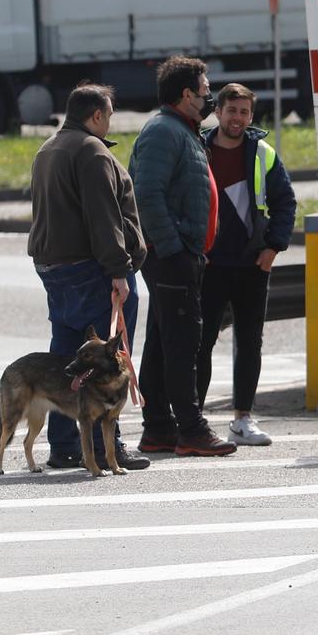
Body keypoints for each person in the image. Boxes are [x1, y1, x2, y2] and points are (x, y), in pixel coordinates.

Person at [26, 83, 150, 471]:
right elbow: (104, 217)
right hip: (89, 267)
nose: (110, 122)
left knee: (68, 356)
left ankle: (65, 445)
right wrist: (118, 269)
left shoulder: (48, 148)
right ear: (96, 115)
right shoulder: (92, 151)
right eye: (109, 115)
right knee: (107, 356)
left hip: (54, 266)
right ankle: (104, 444)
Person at [128, 56, 238, 457]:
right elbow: (146, 194)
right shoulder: (164, 131)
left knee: (162, 339)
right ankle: (190, 429)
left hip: (181, 253)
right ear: (187, 94)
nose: (211, 94)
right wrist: (174, 248)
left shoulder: (182, 130)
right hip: (171, 255)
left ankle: (158, 428)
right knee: (183, 342)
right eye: (206, 89)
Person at [198, 82, 297, 446]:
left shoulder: (263, 154)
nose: (237, 118)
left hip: (252, 265)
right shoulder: (198, 148)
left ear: (251, 116)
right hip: (209, 266)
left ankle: (243, 418)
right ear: (218, 112)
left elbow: (286, 203)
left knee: (250, 342)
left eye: (244, 112)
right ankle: (195, 417)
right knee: (201, 342)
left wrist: (273, 248)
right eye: (231, 110)